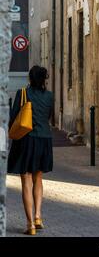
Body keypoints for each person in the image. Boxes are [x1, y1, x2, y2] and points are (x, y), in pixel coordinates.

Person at [7, 66, 54, 236]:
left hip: (26, 140)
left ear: (30, 79)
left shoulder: (23, 93)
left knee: (26, 179)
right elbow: (49, 116)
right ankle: (38, 217)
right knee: (38, 178)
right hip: (44, 140)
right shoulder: (49, 96)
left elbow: (14, 119)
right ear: (44, 79)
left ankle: (30, 225)